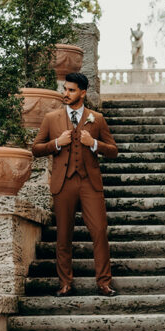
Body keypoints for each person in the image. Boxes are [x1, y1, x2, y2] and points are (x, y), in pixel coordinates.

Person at [31, 72, 120, 297]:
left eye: (71, 90)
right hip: (64, 183)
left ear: (82, 93)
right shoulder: (51, 118)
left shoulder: (96, 118)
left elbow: (113, 151)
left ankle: (104, 282)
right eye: (65, 89)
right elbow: (36, 149)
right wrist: (56, 143)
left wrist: (94, 143)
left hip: (90, 183)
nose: (66, 93)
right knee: (63, 235)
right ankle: (65, 283)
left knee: (99, 231)